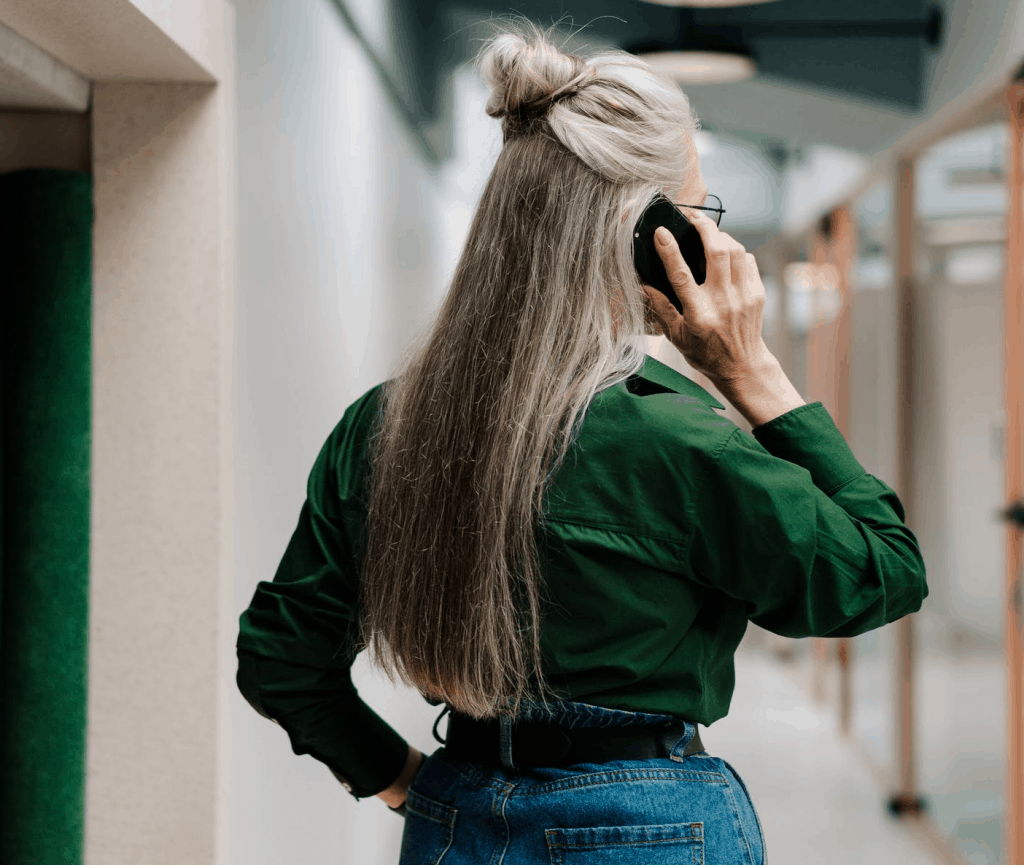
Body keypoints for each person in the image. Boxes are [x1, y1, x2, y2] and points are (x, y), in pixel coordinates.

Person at [235, 18, 928, 865]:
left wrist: (402, 779)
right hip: (650, 825)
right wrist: (754, 376)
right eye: (701, 210)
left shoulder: (382, 425)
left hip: (453, 819)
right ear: (650, 234)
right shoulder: (679, 437)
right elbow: (880, 572)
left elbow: (280, 658)